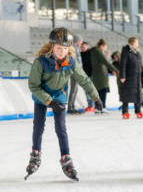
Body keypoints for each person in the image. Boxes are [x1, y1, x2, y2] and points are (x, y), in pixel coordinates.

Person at [26, 27, 103, 181]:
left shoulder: (71, 62)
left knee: (61, 128)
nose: (62, 52)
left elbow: (84, 80)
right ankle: (35, 156)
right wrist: (49, 101)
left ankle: (66, 159)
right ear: (51, 46)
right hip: (42, 95)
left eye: (65, 48)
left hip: (60, 96)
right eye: (58, 48)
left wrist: (95, 97)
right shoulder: (40, 62)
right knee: (39, 126)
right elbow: (33, 86)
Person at [119, 37, 143, 119]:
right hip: (129, 77)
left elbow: (141, 65)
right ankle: (125, 112)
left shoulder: (137, 52)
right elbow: (123, 65)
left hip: (137, 77)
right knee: (126, 95)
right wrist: (123, 76)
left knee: (137, 95)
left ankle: (138, 111)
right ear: (133, 43)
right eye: (137, 42)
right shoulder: (126, 52)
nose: (138, 44)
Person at [90, 39, 118, 114]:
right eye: (105, 47)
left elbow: (100, 61)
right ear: (101, 46)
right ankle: (102, 107)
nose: (105, 49)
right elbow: (106, 63)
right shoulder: (98, 52)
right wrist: (116, 70)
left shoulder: (94, 52)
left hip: (96, 74)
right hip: (101, 74)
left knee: (98, 91)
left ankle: (97, 107)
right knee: (103, 89)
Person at [67, 34, 84, 115]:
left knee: (75, 89)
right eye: (81, 40)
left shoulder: (75, 48)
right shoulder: (73, 48)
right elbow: (73, 61)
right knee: (73, 89)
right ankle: (70, 108)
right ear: (77, 41)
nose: (81, 42)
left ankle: (72, 107)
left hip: (76, 72)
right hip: (74, 72)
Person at [81, 42, 95, 112]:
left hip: (91, 74)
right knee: (86, 91)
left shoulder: (91, 53)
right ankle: (89, 104)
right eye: (81, 47)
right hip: (84, 75)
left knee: (91, 90)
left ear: (87, 46)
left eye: (83, 47)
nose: (82, 48)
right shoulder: (81, 54)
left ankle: (92, 105)